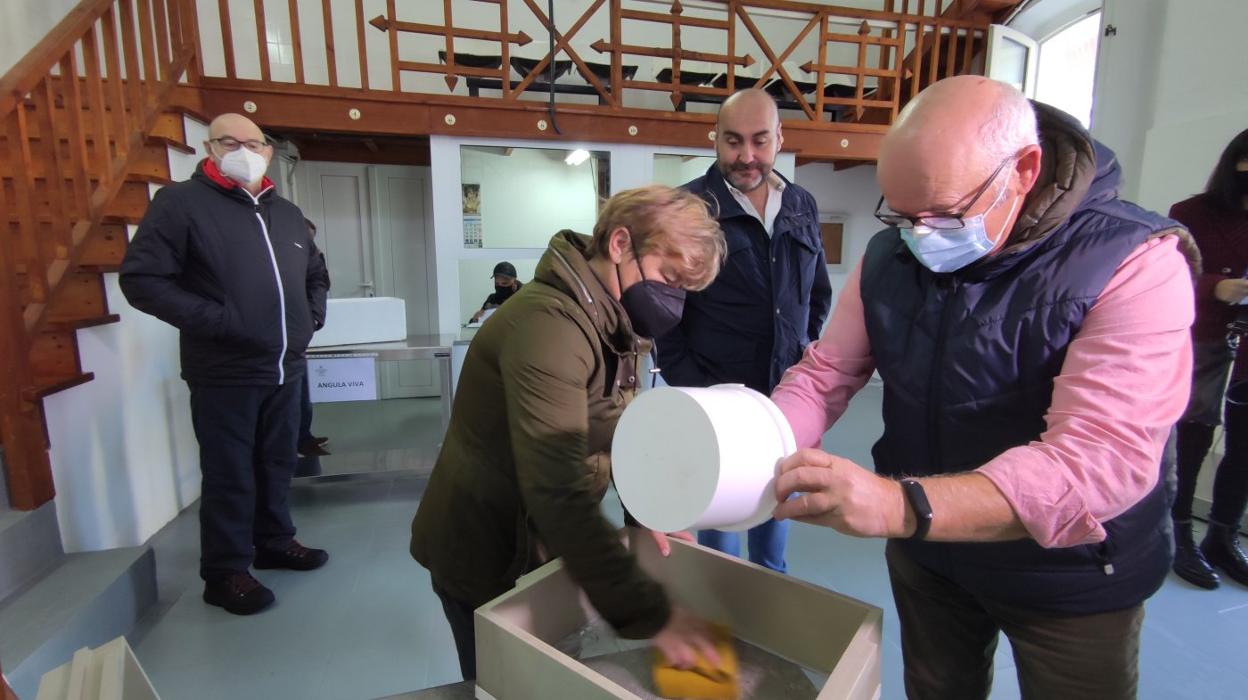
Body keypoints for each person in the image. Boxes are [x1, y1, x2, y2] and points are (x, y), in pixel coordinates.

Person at [768, 76, 1199, 699]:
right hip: (931, 561)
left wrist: (899, 505)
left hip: (1068, 574)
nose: (920, 237)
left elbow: (1100, 457)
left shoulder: (1135, 260)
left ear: (1023, 170)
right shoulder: (893, 254)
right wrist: (739, 457)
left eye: (943, 215)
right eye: (901, 215)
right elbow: (827, 373)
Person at [410, 185, 727, 681]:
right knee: (505, 683)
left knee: (550, 676)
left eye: (684, 288)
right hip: (486, 546)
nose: (673, 300)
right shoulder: (548, 327)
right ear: (620, 244)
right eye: (669, 277)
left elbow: (622, 425)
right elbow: (556, 489)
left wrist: (643, 511)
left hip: (541, 545)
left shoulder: (616, 320)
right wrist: (653, 616)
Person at [120, 113, 330, 616]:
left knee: (278, 462)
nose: (245, 150)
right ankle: (226, 572)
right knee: (230, 472)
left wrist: (309, 322)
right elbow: (143, 280)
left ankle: (275, 541)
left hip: (286, 366)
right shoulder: (180, 204)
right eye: (231, 141)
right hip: (225, 369)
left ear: (268, 152)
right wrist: (220, 320)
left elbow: (316, 275)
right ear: (209, 148)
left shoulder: (285, 213)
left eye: (255, 143)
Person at [656, 89, 832, 573]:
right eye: (733, 141)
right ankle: (721, 633)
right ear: (715, 139)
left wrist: (801, 361)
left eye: (759, 140)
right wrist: (698, 391)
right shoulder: (688, 210)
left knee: (776, 532)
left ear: (780, 138)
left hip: (784, 405)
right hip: (721, 408)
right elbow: (666, 318)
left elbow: (815, 294)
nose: (746, 156)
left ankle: (765, 623)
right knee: (720, 544)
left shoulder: (801, 203)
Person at [1168, 128, 1248, 589]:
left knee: (1245, 447)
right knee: (1192, 434)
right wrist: (1216, 285)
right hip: (1204, 335)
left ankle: (1223, 534)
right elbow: (1168, 274)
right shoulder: (1192, 213)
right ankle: (1179, 531)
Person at [298, 217, 332, 458]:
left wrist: (313, 320)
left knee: (301, 395)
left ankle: (303, 438)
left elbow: (320, 283)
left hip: (295, 340)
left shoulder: (311, 260)